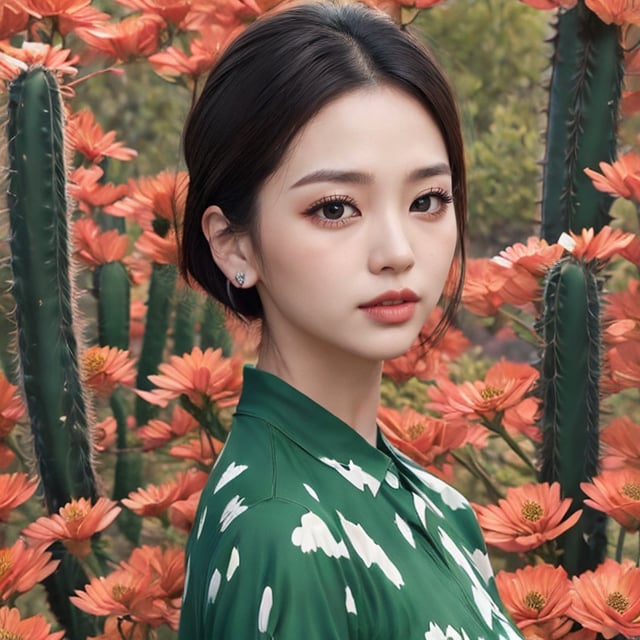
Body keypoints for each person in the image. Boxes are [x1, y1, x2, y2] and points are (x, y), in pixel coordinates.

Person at [178, 2, 524, 638]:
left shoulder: (439, 507)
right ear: (234, 244)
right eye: (335, 208)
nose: (397, 252)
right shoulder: (280, 531)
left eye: (427, 200)